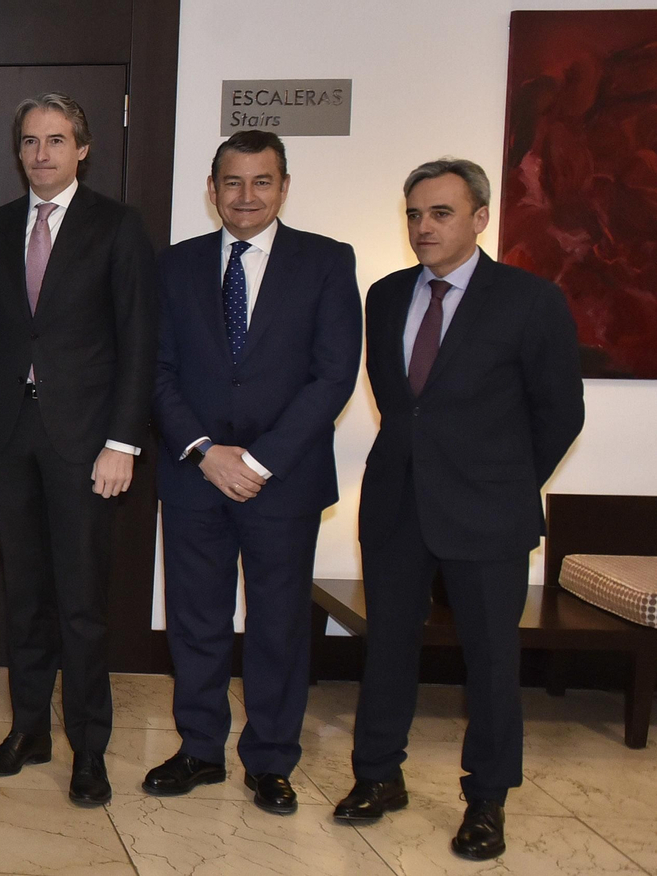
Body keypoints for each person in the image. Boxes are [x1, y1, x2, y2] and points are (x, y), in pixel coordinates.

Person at [335, 158, 583, 861]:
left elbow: (560, 412)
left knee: (492, 661)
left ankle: (487, 801)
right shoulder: (383, 296)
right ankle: (378, 777)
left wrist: (507, 481)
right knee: (386, 647)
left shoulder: (530, 301)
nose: (423, 227)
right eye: (414, 214)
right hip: (395, 505)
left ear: (480, 218)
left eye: (440, 213)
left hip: (488, 513)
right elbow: (399, 403)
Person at [0, 93, 156, 805]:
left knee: (81, 606)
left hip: (87, 445)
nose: (42, 153)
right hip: (6, 440)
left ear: (83, 148)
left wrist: (123, 442)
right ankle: (29, 731)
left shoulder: (118, 227)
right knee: (24, 597)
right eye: (31, 141)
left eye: (57, 140)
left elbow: (138, 344)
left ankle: (88, 751)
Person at [146, 131, 361, 814]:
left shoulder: (327, 262)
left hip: (284, 481)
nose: (246, 197)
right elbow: (156, 372)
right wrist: (206, 452)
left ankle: (271, 761)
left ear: (284, 187)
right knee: (197, 622)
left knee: (277, 625)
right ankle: (199, 749)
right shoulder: (174, 266)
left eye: (261, 182)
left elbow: (334, 375)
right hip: (194, 476)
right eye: (232, 183)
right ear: (212, 191)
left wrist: (261, 460)